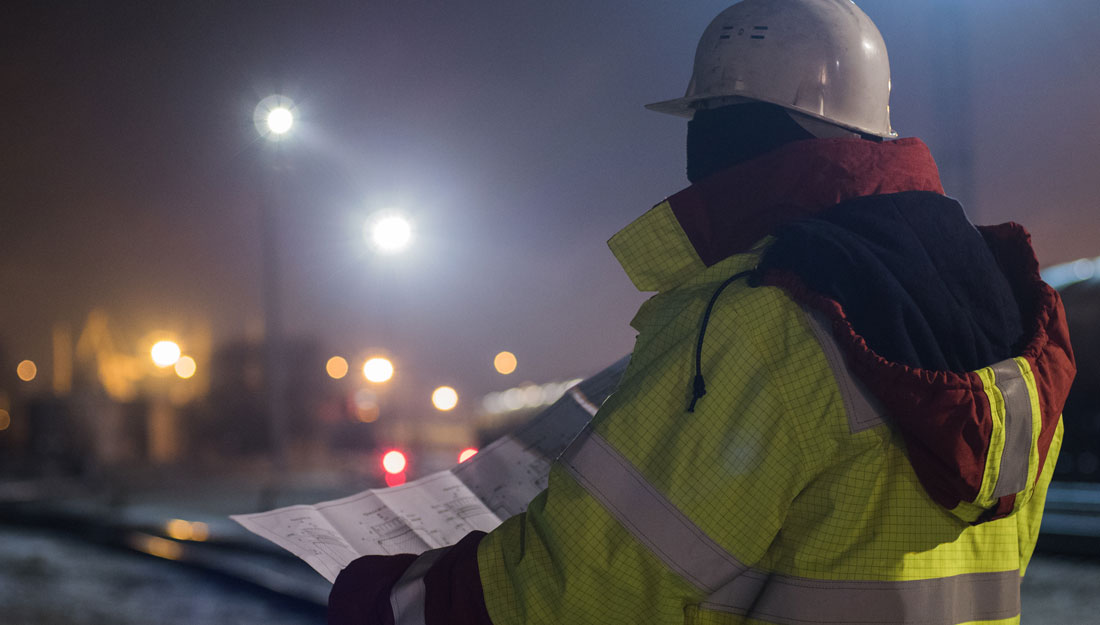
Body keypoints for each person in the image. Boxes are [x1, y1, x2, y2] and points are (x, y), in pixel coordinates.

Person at [328, 1, 1076, 623]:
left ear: (732, 132)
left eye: (713, 118)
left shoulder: (762, 320)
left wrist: (391, 599)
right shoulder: (1001, 308)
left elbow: (586, 590)